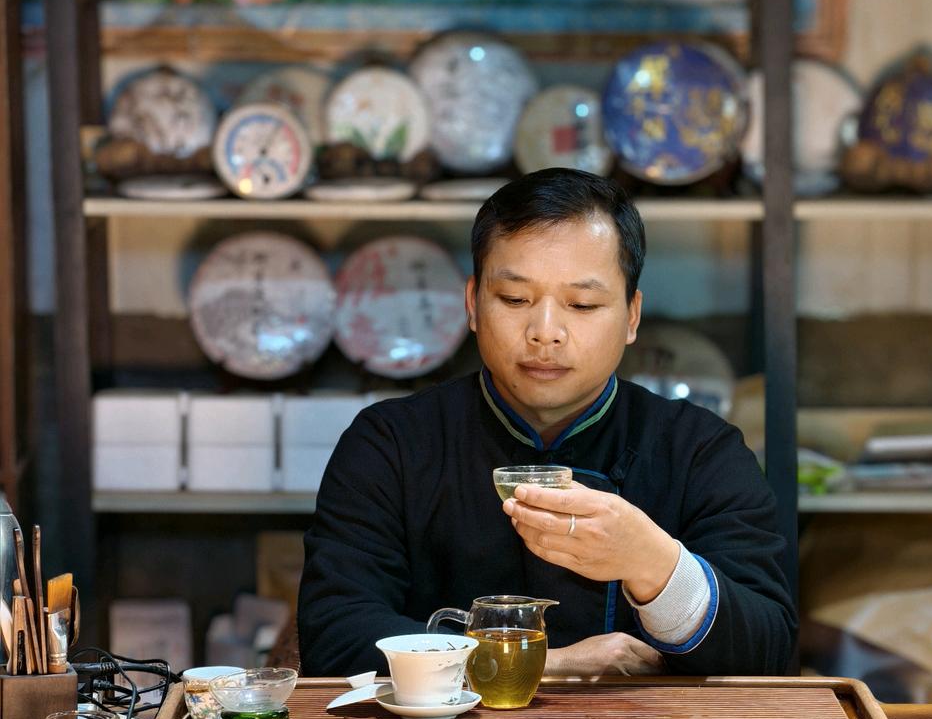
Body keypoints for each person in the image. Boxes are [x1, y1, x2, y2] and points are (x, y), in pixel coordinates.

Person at [298, 168, 795, 677]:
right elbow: (335, 636)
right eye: (514, 300)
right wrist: (547, 666)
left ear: (631, 316)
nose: (545, 333)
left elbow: (770, 652)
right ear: (472, 304)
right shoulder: (391, 444)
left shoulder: (699, 450)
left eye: (582, 304)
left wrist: (656, 565)